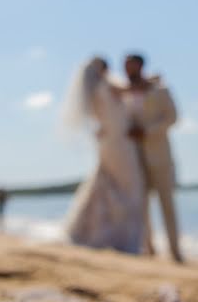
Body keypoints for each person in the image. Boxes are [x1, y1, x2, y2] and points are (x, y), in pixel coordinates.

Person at [62, 56, 146, 254]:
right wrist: (152, 81)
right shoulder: (107, 84)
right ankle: (123, 238)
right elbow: (131, 90)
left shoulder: (92, 92)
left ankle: (93, 232)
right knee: (130, 188)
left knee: (106, 186)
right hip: (119, 142)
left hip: (108, 140)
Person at [122, 53, 184, 262]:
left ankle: (175, 251)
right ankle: (148, 247)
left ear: (140, 66)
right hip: (134, 157)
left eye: (130, 66)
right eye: (125, 67)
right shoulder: (123, 93)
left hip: (160, 155)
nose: (127, 70)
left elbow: (173, 117)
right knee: (141, 204)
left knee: (167, 203)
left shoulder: (160, 89)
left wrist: (147, 132)